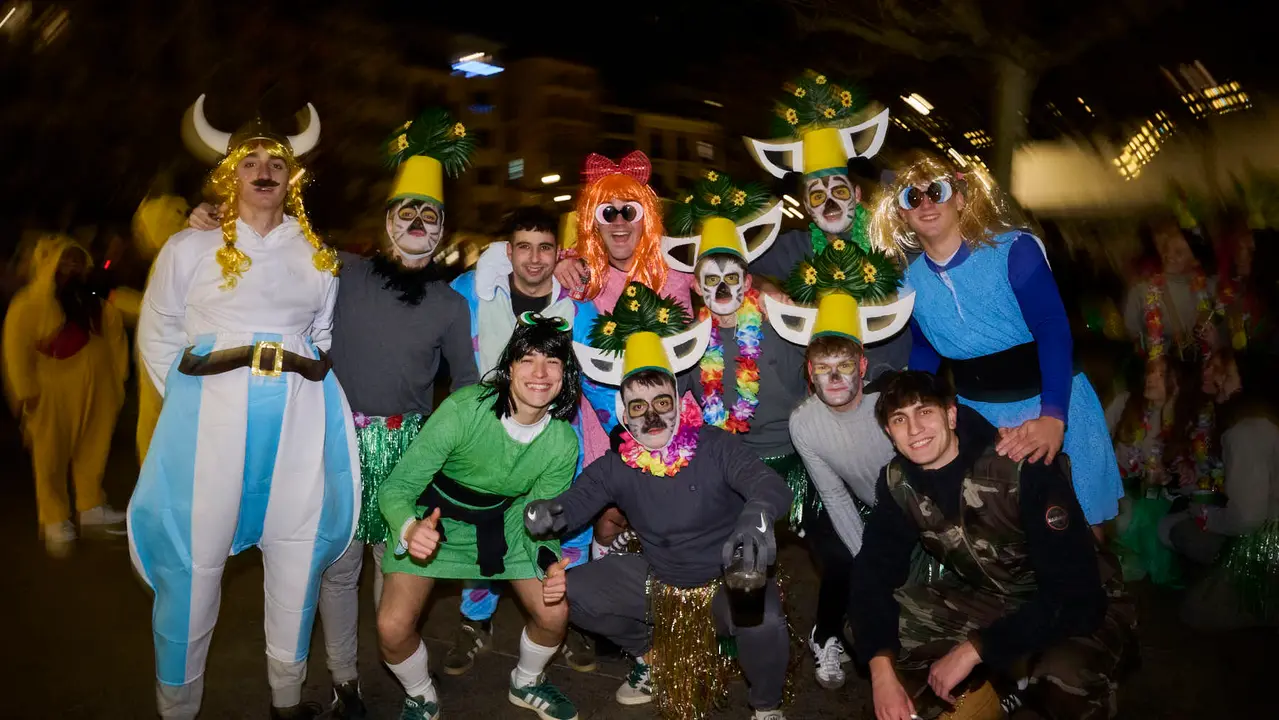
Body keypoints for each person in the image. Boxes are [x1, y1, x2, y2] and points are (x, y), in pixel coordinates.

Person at [186, 107, 480, 717]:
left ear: (443, 229)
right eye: (408, 212)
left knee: (393, 572)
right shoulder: (341, 270)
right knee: (337, 571)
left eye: (430, 215)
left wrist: (448, 457)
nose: (418, 222)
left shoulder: (452, 304)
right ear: (388, 222)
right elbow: (273, 245)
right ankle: (346, 678)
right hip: (337, 442)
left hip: (409, 453)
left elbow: (466, 384)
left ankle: (398, 666)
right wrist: (214, 220)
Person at [127, 95, 359, 720]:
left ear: (292, 177)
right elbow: (158, 332)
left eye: (276, 163)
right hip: (212, 428)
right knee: (194, 563)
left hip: (295, 422)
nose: (263, 171)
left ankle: (287, 701)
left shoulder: (316, 254)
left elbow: (323, 336)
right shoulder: (187, 247)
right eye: (249, 161)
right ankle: (178, 708)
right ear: (230, 175)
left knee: (296, 549)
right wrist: (191, 406)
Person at [527, 283, 793, 719]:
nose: (651, 416)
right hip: (660, 581)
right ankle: (650, 658)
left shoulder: (714, 445)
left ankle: (766, 706)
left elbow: (769, 485)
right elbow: (574, 504)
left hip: (729, 580)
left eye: (661, 402)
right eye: (638, 407)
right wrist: (547, 512)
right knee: (574, 594)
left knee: (760, 615)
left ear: (678, 403)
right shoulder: (618, 464)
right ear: (624, 413)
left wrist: (754, 522)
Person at [850, 371, 1135, 720]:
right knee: (871, 630)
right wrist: (881, 673)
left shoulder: (1018, 466)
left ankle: (1039, 681)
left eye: (924, 411)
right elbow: (871, 576)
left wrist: (976, 649)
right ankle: (979, 696)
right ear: (889, 434)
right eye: (899, 419)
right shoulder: (898, 482)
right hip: (995, 596)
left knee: (1066, 682)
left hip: (1083, 600)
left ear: (951, 415)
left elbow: (1076, 596)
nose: (914, 430)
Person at [871, 150, 1123, 535]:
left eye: (935, 191)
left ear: (959, 197)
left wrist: (1054, 417)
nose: (925, 204)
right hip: (982, 422)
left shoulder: (1013, 249)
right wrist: (909, 401)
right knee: (1007, 540)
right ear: (901, 213)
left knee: (1083, 534)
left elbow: (1052, 328)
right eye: (912, 197)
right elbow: (924, 349)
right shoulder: (908, 283)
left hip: (1053, 402)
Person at [376, 315, 583, 720]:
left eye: (553, 362)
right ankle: (420, 694)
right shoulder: (464, 409)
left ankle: (527, 682)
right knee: (391, 627)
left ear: (565, 375)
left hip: (504, 526)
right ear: (509, 368)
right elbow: (395, 488)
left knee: (554, 612)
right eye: (528, 360)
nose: (540, 373)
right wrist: (409, 527)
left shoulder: (561, 441)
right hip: (433, 520)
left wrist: (548, 564)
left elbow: (538, 520)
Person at [445, 205, 596, 675]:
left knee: (568, 527)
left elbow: (596, 376)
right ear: (507, 252)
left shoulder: (579, 308)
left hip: (556, 438)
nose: (534, 259)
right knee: (479, 527)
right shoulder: (471, 293)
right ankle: (476, 621)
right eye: (524, 248)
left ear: (559, 252)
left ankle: (572, 621)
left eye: (545, 248)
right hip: (485, 438)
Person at [551, 151, 694, 555]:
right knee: (609, 520)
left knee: (664, 525)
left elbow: (730, 282)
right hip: (602, 421)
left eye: (627, 212)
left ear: (644, 217)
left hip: (669, 416)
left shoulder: (678, 273)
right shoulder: (581, 278)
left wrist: (767, 289)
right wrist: (562, 260)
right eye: (606, 213)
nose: (617, 222)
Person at [743, 69, 907, 382]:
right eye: (817, 195)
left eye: (840, 191)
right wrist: (766, 287)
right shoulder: (797, 246)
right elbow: (738, 263)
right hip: (830, 380)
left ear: (857, 195)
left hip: (889, 379)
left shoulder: (888, 236)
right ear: (806, 207)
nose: (829, 202)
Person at [3, 235, 128, 557]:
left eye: (77, 261)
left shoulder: (92, 303)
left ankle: (90, 506)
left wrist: (117, 379)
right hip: (51, 394)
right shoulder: (27, 305)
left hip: (98, 389)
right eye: (65, 261)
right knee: (50, 458)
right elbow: (16, 350)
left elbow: (114, 334)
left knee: (93, 449)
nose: (71, 268)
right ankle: (54, 518)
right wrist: (26, 392)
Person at [1160, 349, 1279, 629]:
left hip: (1268, 546)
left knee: (1178, 531)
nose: (1216, 379)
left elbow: (1247, 518)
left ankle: (1261, 600)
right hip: (1265, 536)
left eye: (1226, 374)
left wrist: (1206, 517)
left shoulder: (1247, 431)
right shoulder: (1261, 423)